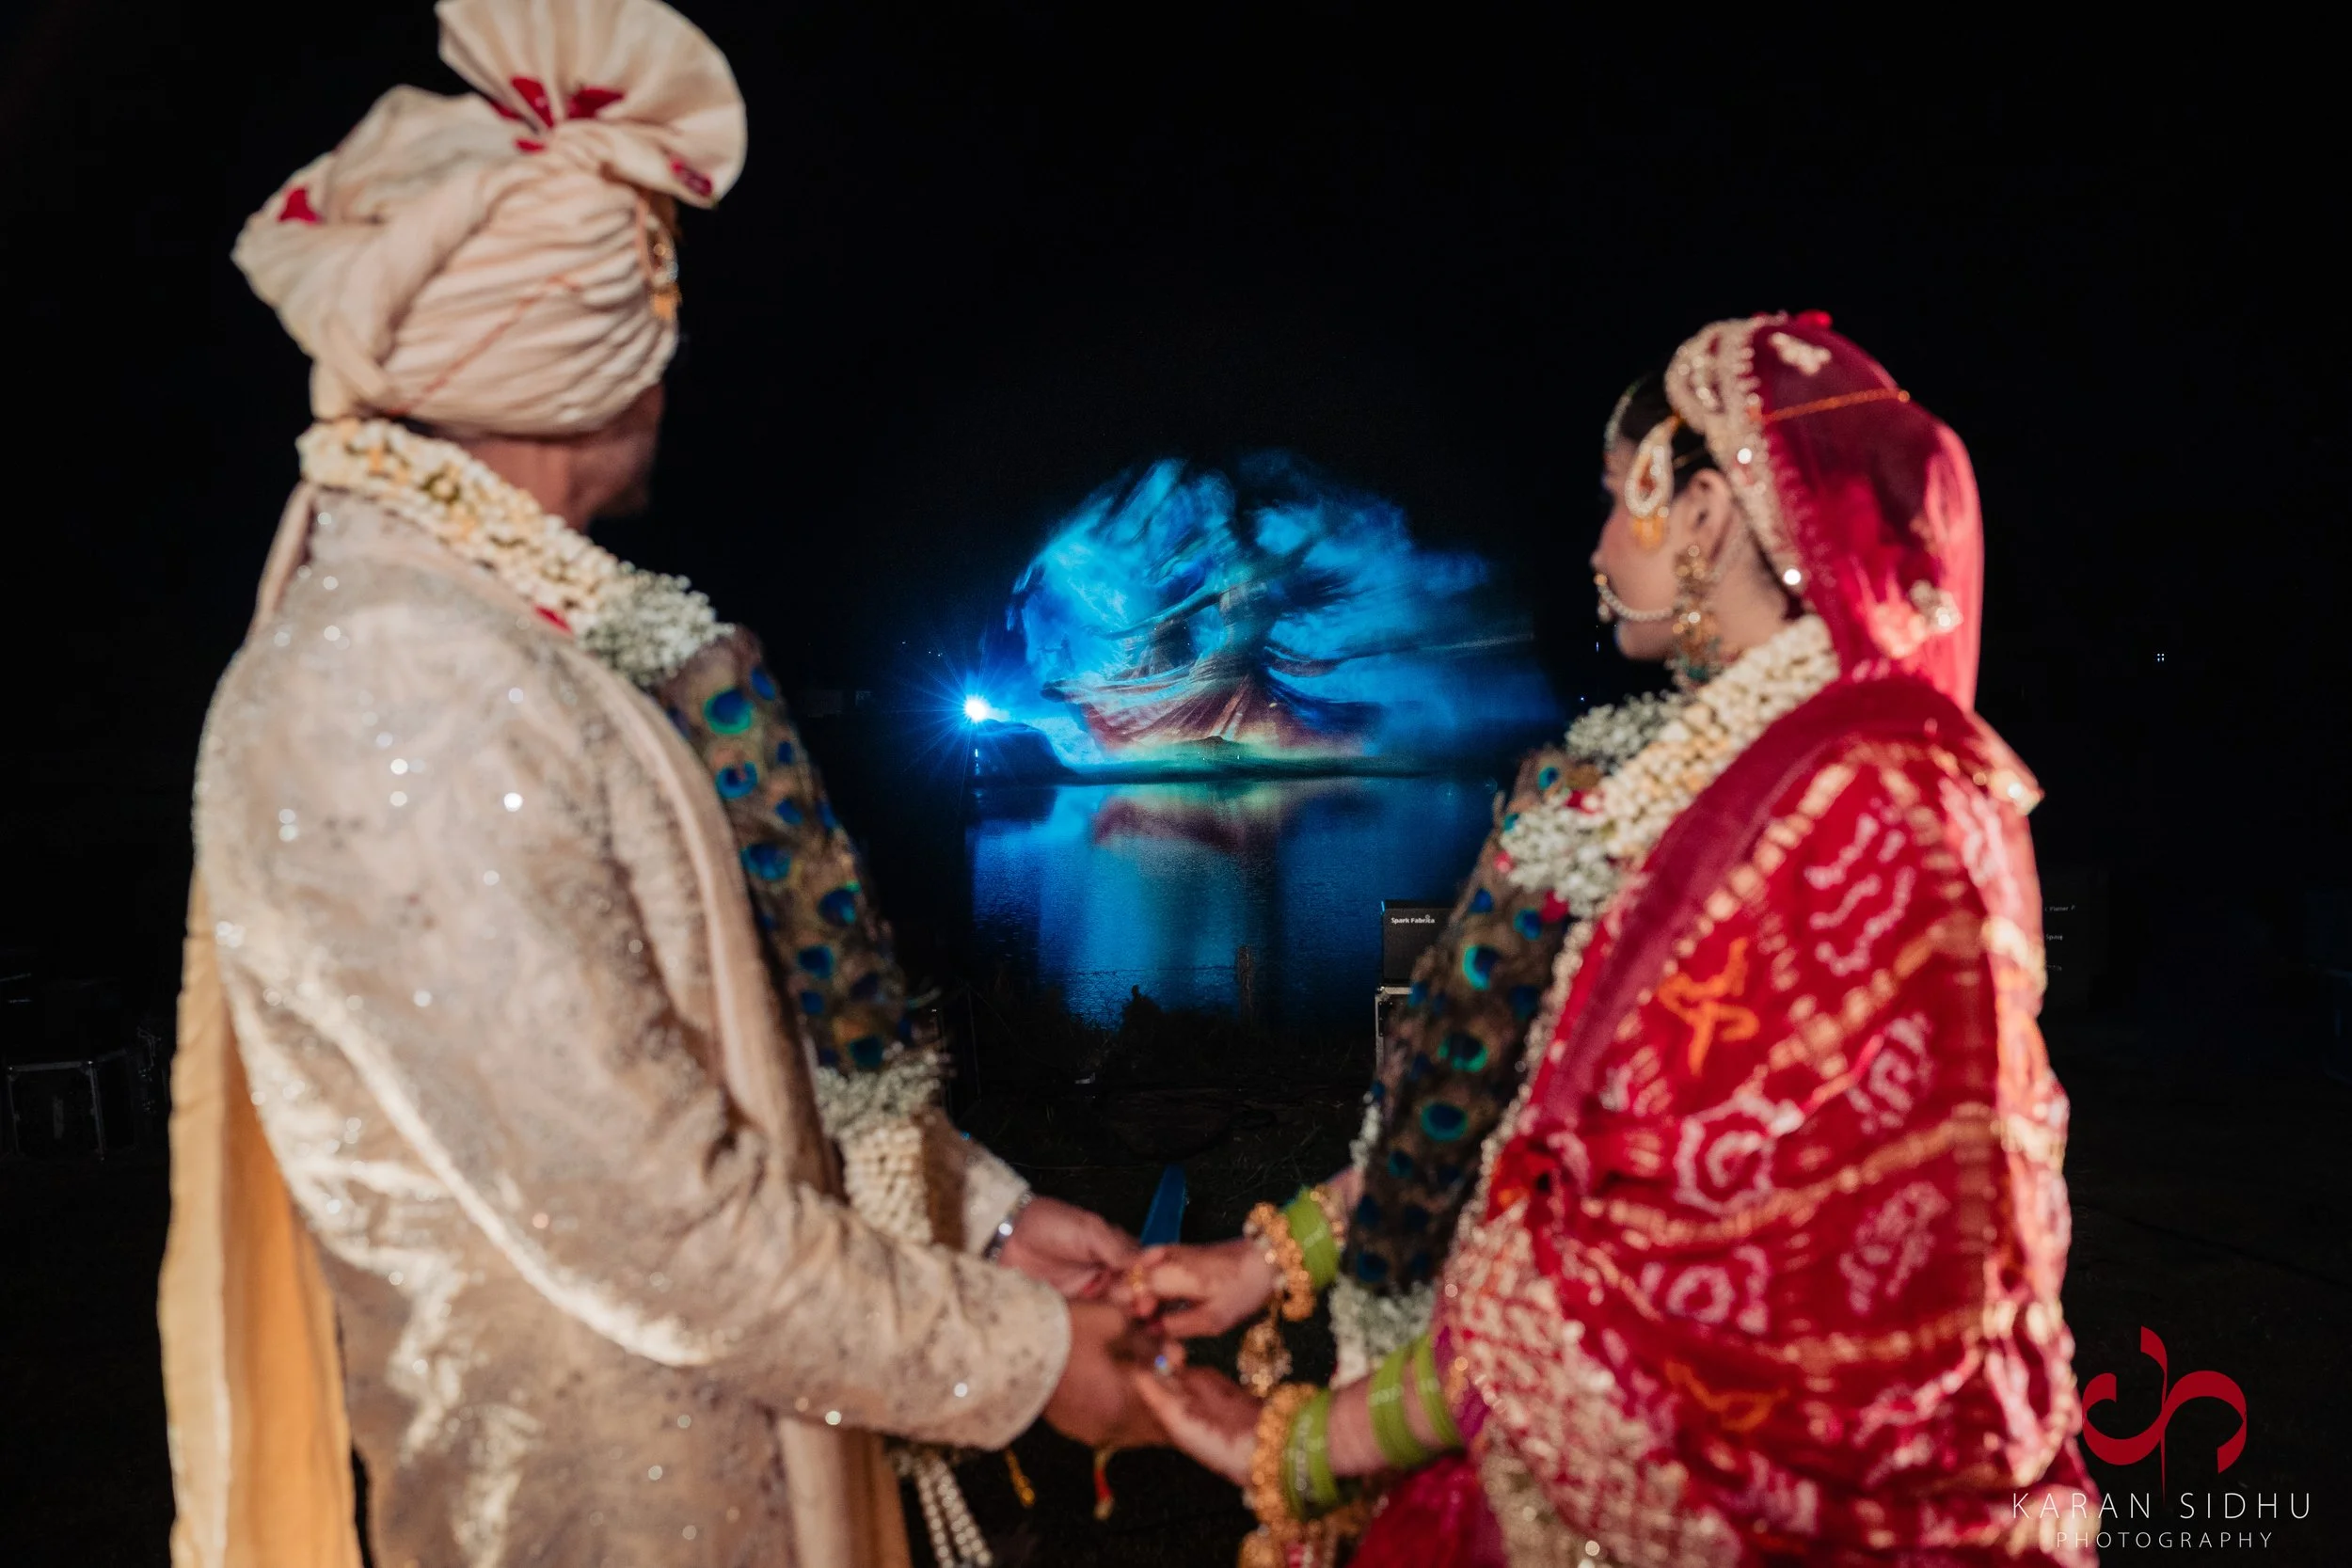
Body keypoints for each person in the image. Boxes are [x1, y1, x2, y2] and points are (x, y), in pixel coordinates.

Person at [159, 4, 1158, 1565]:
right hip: (602, 1503)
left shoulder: (503, 640)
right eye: (647, 287)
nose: (676, 344)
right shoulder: (400, 684)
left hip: (725, 1452)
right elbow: (650, 1214)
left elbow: (700, 1058)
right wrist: (1020, 1356)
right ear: (578, 340)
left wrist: (978, 1212)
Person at [1128, 313, 2093, 1567]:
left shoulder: (1877, 808)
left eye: (1610, 500)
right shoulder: (1636, 785)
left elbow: (1681, 1278)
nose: (1592, 543)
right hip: (1510, 1441)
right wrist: (1273, 1259)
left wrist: (1316, 1442)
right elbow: (1513, 1117)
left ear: (1700, 511)